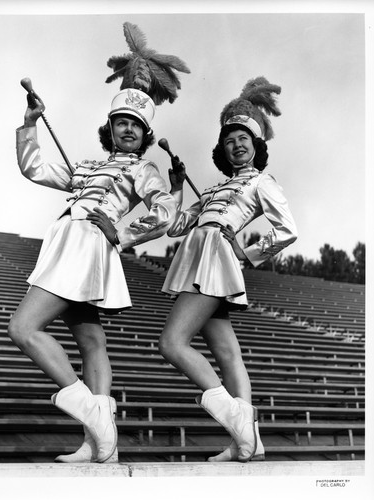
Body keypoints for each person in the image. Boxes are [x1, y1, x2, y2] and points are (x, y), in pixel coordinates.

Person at [8, 85, 177, 463]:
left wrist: (125, 232)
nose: (129, 130)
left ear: (145, 133)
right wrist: (29, 123)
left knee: (22, 328)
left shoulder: (141, 169)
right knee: (91, 343)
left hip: (87, 247)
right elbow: (33, 167)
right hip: (66, 245)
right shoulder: (84, 167)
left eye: (136, 124)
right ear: (111, 128)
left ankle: (98, 421)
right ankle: (100, 446)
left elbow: (166, 209)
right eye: (121, 123)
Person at [159, 77, 298, 462]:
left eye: (244, 140)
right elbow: (174, 225)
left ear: (256, 146)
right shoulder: (212, 191)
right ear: (221, 148)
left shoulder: (261, 182)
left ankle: (237, 421)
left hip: (215, 259)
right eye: (229, 140)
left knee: (172, 343)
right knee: (227, 354)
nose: (236, 145)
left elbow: (288, 230)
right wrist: (177, 189)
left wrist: (247, 250)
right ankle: (247, 442)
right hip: (195, 258)